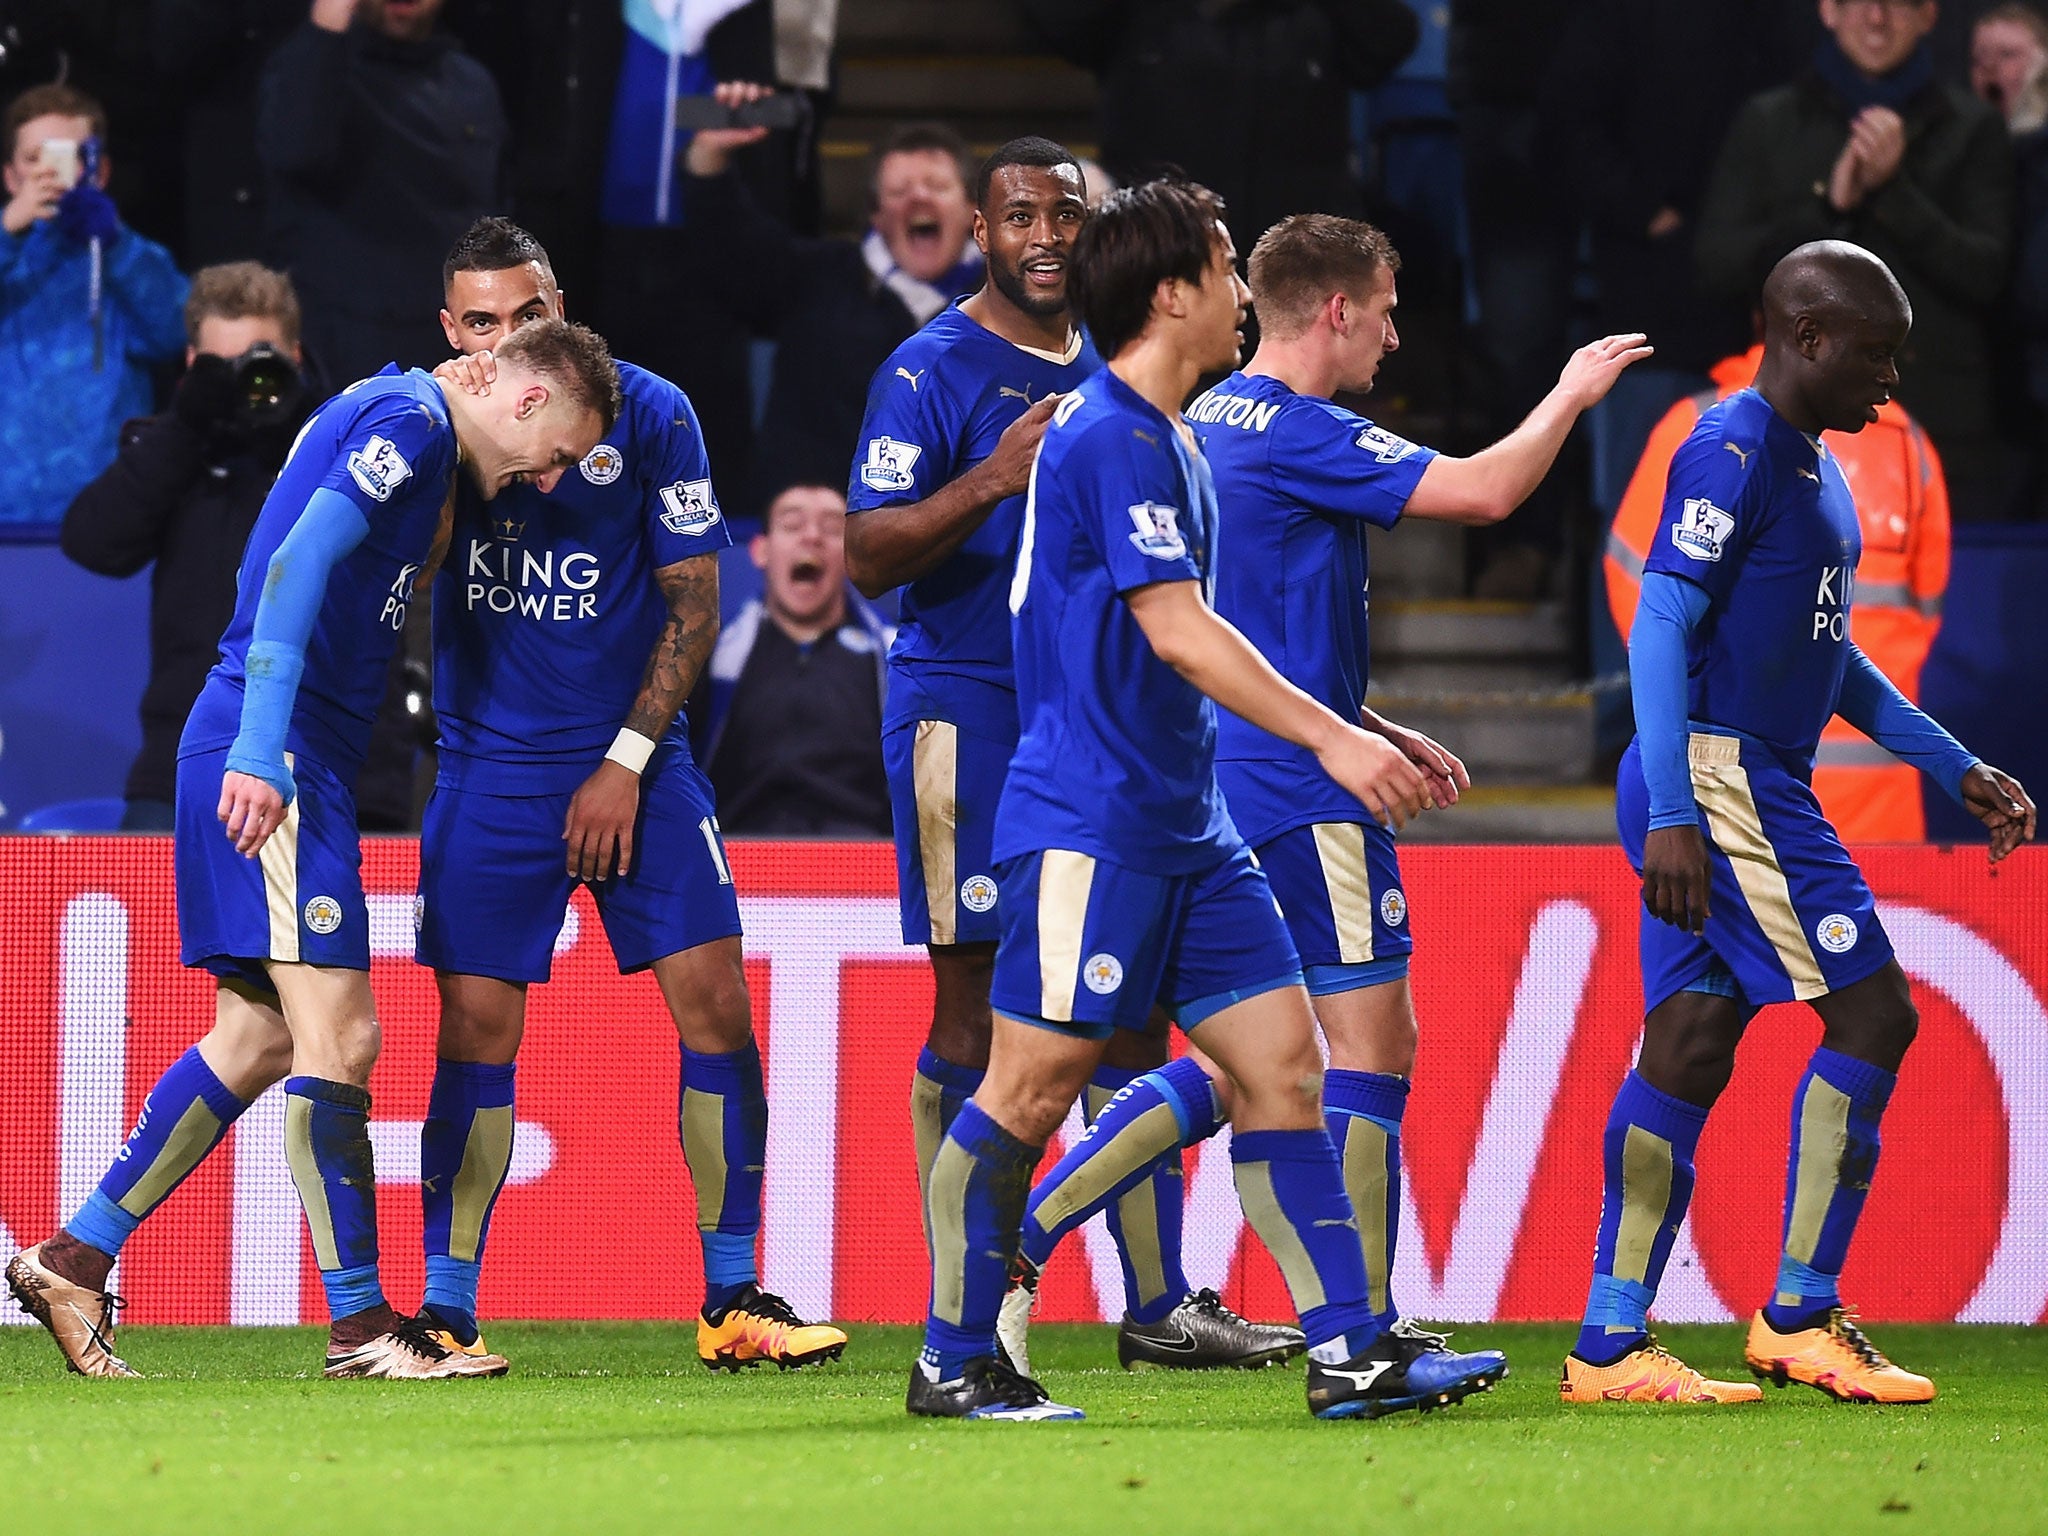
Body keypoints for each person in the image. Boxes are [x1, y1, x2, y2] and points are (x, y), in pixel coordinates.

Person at [994, 214, 1647, 1401]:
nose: (1396, 335)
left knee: (1274, 1050)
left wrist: (1367, 719)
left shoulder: (1206, 424)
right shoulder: (1298, 430)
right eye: (1386, 311)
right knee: (1357, 1049)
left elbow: (1244, 617)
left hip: (1241, 769)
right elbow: (1491, 492)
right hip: (1296, 788)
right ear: (1335, 311)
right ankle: (1355, 1327)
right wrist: (1568, 392)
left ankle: (1315, 1316)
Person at [907, 175, 1461, 1424]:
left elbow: (1206, 635)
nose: (1236, 299)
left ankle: (1351, 1347)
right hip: (1092, 821)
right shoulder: (1107, 433)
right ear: (1172, 294)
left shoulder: (1172, 438)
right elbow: (1176, 631)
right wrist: (1334, 742)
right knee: (1029, 1088)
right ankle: (955, 1353)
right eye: (1221, 272)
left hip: (1189, 826)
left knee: (1281, 1072)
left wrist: (1348, 723)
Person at [3, 317, 620, 1380]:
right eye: (560, 448)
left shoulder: (405, 418)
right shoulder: (415, 424)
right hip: (275, 747)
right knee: (344, 1033)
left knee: (259, 1037)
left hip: (283, 747)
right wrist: (259, 746)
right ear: (528, 400)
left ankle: (72, 1257)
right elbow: (293, 558)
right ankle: (363, 1330)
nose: (551, 476)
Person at [848, 138, 1298, 1372]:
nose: (1045, 234)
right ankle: (965, 1297)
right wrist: (990, 480)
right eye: (1019, 216)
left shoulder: (1123, 368)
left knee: (1136, 1021)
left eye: (1067, 213)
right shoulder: (930, 367)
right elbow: (868, 553)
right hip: (969, 715)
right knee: (978, 1014)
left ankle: (1157, 1304)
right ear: (980, 234)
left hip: (1106, 728)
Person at [1561, 240, 2035, 1406]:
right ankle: (1799, 1314)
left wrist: (1953, 761)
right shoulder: (1729, 450)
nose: (1890, 377)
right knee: (1872, 1014)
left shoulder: (1810, 460)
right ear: (1806, 339)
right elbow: (1658, 627)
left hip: (1729, 775)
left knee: (1687, 1043)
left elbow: (1835, 660)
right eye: (1875, 354)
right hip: (1720, 780)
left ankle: (1608, 1345)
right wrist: (1677, 807)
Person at [410, 220, 848, 1372]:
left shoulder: (650, 413)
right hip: (488, 769)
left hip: (638, 768)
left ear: (559, 300)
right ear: (453, 333)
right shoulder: (426, 422)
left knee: (717, 1011)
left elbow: (693, 604)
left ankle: (732, 1299)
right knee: (475, 1035)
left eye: (526, 310)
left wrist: (624, 762)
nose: (509, 336)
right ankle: (446, 1310)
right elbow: (411, 581)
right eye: (483, 322)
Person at [1606, 342, 1951, 841]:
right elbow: (1928, 604)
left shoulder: (1700, 422)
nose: (1893, 374)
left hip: (1745, 786)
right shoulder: (1906, 444)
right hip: (1786, 793)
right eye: (1880, 351)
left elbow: (1633, 585)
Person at [1695, 0, 2013, 520]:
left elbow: (1986, 275)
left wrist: (1892, 194)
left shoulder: (1973, 128)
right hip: (1789, 421)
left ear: (1929, 15)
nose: (1877, 19)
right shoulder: (1769, 121)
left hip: (1938, 427)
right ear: (1828, 10)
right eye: (1860, 1)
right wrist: (1828, 208)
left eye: (1898, 4)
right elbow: (1719, 265)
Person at [61, 262, 315, 831]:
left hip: (309, 764)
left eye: (259, 364)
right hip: (178, 766)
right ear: (192, 367)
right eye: (219, 368)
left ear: (293, 360)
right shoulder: (179, 455)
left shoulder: (331, 453)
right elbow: (92, 543)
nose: (242, 383)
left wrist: (300, 416)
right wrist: (186, 423)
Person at [683, 82, 983, 516]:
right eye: (899, 191)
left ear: (973, 209)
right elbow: (732, 249)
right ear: (877, 216)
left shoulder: (1009, 299)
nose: (918, 197)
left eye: (936, 186)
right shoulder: (819, 277)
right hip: (820, 539)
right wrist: (710, 154)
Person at [257, 0, 507, 389]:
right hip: (338, 353)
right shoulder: (312, 69)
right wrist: (327, 28)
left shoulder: (472, 84)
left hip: (451, 354)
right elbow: (295, 151)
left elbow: (491, 219)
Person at [0, 81, 188, 531]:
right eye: (35, 159)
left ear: (99, 171)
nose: (51, 173)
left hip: (106, 520)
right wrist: (8, 231)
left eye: (68, 156)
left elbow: (179, 333)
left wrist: (118, 245)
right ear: (10, 177)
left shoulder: (125, 259)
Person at [693, 482, 893, 838]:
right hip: (738, 857)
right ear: (761, 551)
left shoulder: (893, 659)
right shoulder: (712, 655)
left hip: (865, 864)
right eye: (792, 525)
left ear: (851, 556)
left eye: (833, 529)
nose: (812, 537)